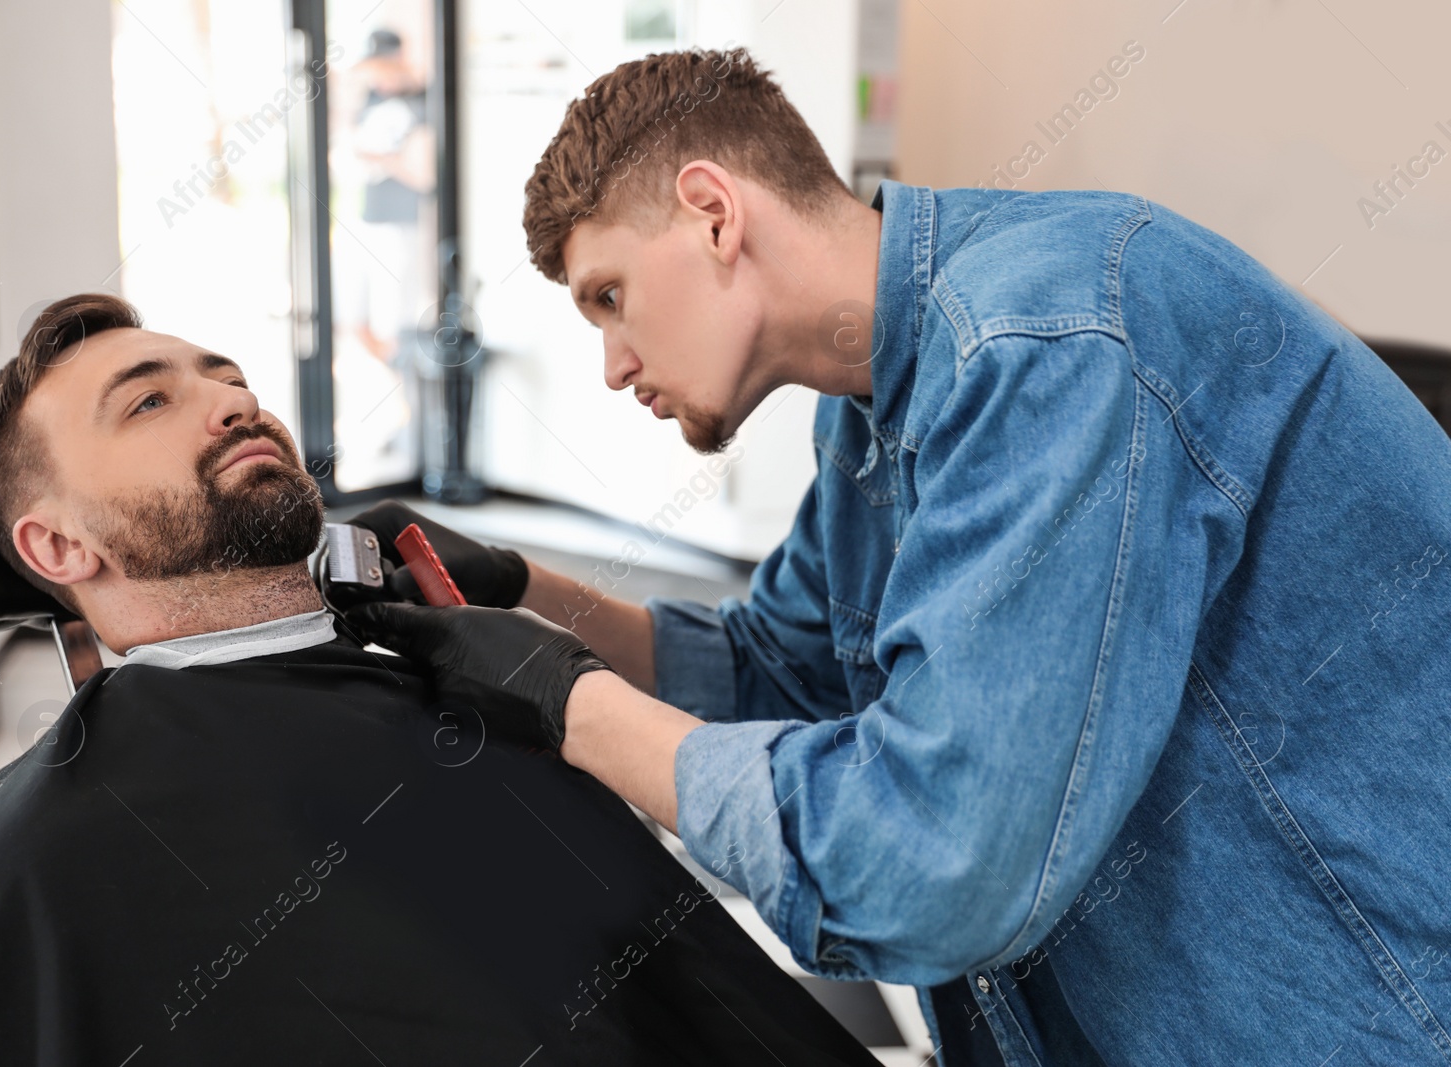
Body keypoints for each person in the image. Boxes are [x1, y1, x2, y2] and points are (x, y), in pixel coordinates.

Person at [341, 46, 1451, 1065]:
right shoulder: (870, 407)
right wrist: (530, 596)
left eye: (609, 298)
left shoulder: (1048, 340)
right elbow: (779, 673)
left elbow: (940, 860)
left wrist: (566, 700)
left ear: (712, 212)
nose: (612, 364)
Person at [0, 293, 884, 1067]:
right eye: (150, 402)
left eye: (226, 377)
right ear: (56, 545)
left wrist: (533, 611)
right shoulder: (17, 879)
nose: (230, 403)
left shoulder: (465, 684)